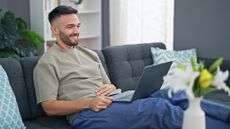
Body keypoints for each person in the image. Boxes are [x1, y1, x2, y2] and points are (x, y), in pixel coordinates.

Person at [33, 5, 230, 129]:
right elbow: (49, 107)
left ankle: (226, 114)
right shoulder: (47, 62)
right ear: (54, 29)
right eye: (70, 27)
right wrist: (89, 102)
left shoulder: (89, 53)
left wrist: (110, 88)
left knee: (173, 93)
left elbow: (108, 85)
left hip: (113, 100)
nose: (76, 31)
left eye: (77, 25)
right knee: (158, 109)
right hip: (86, 115)